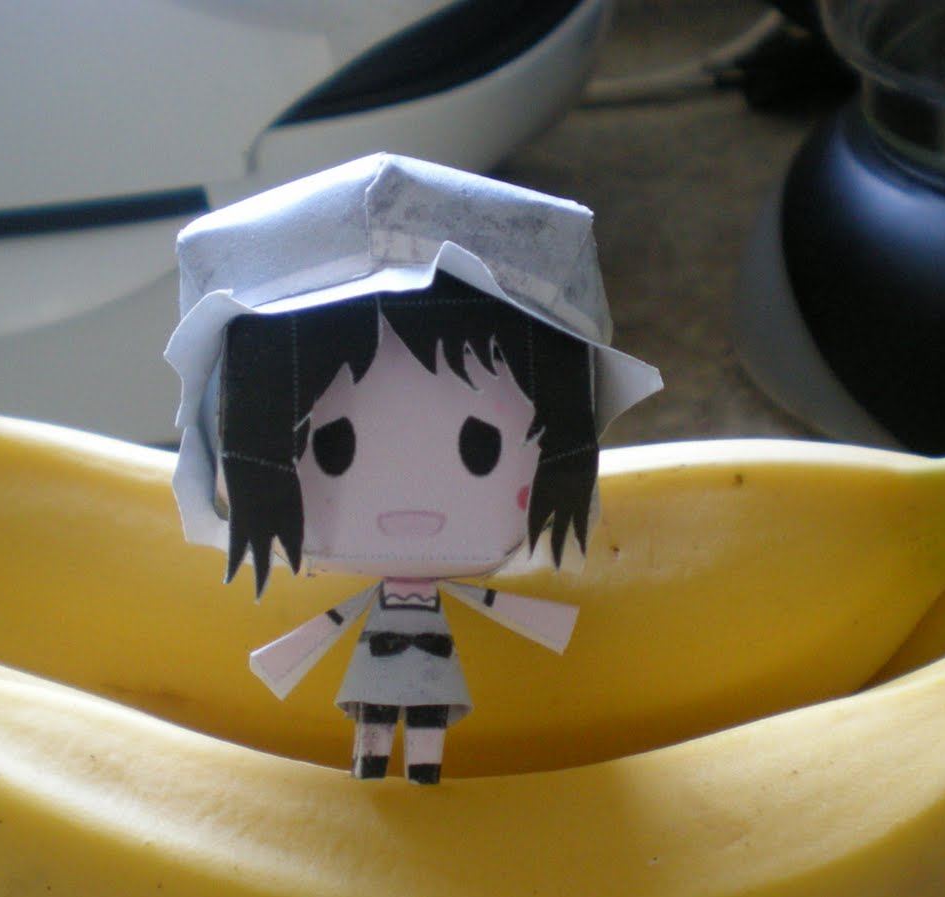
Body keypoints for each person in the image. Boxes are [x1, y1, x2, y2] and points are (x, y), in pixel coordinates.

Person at [165, 154, 661, 781]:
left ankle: (415, 763)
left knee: (418, 713)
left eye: (482, 448)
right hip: (395, 654)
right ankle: (382, 757)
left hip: (417, 655)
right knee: (382, 711)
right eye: (332, 449)